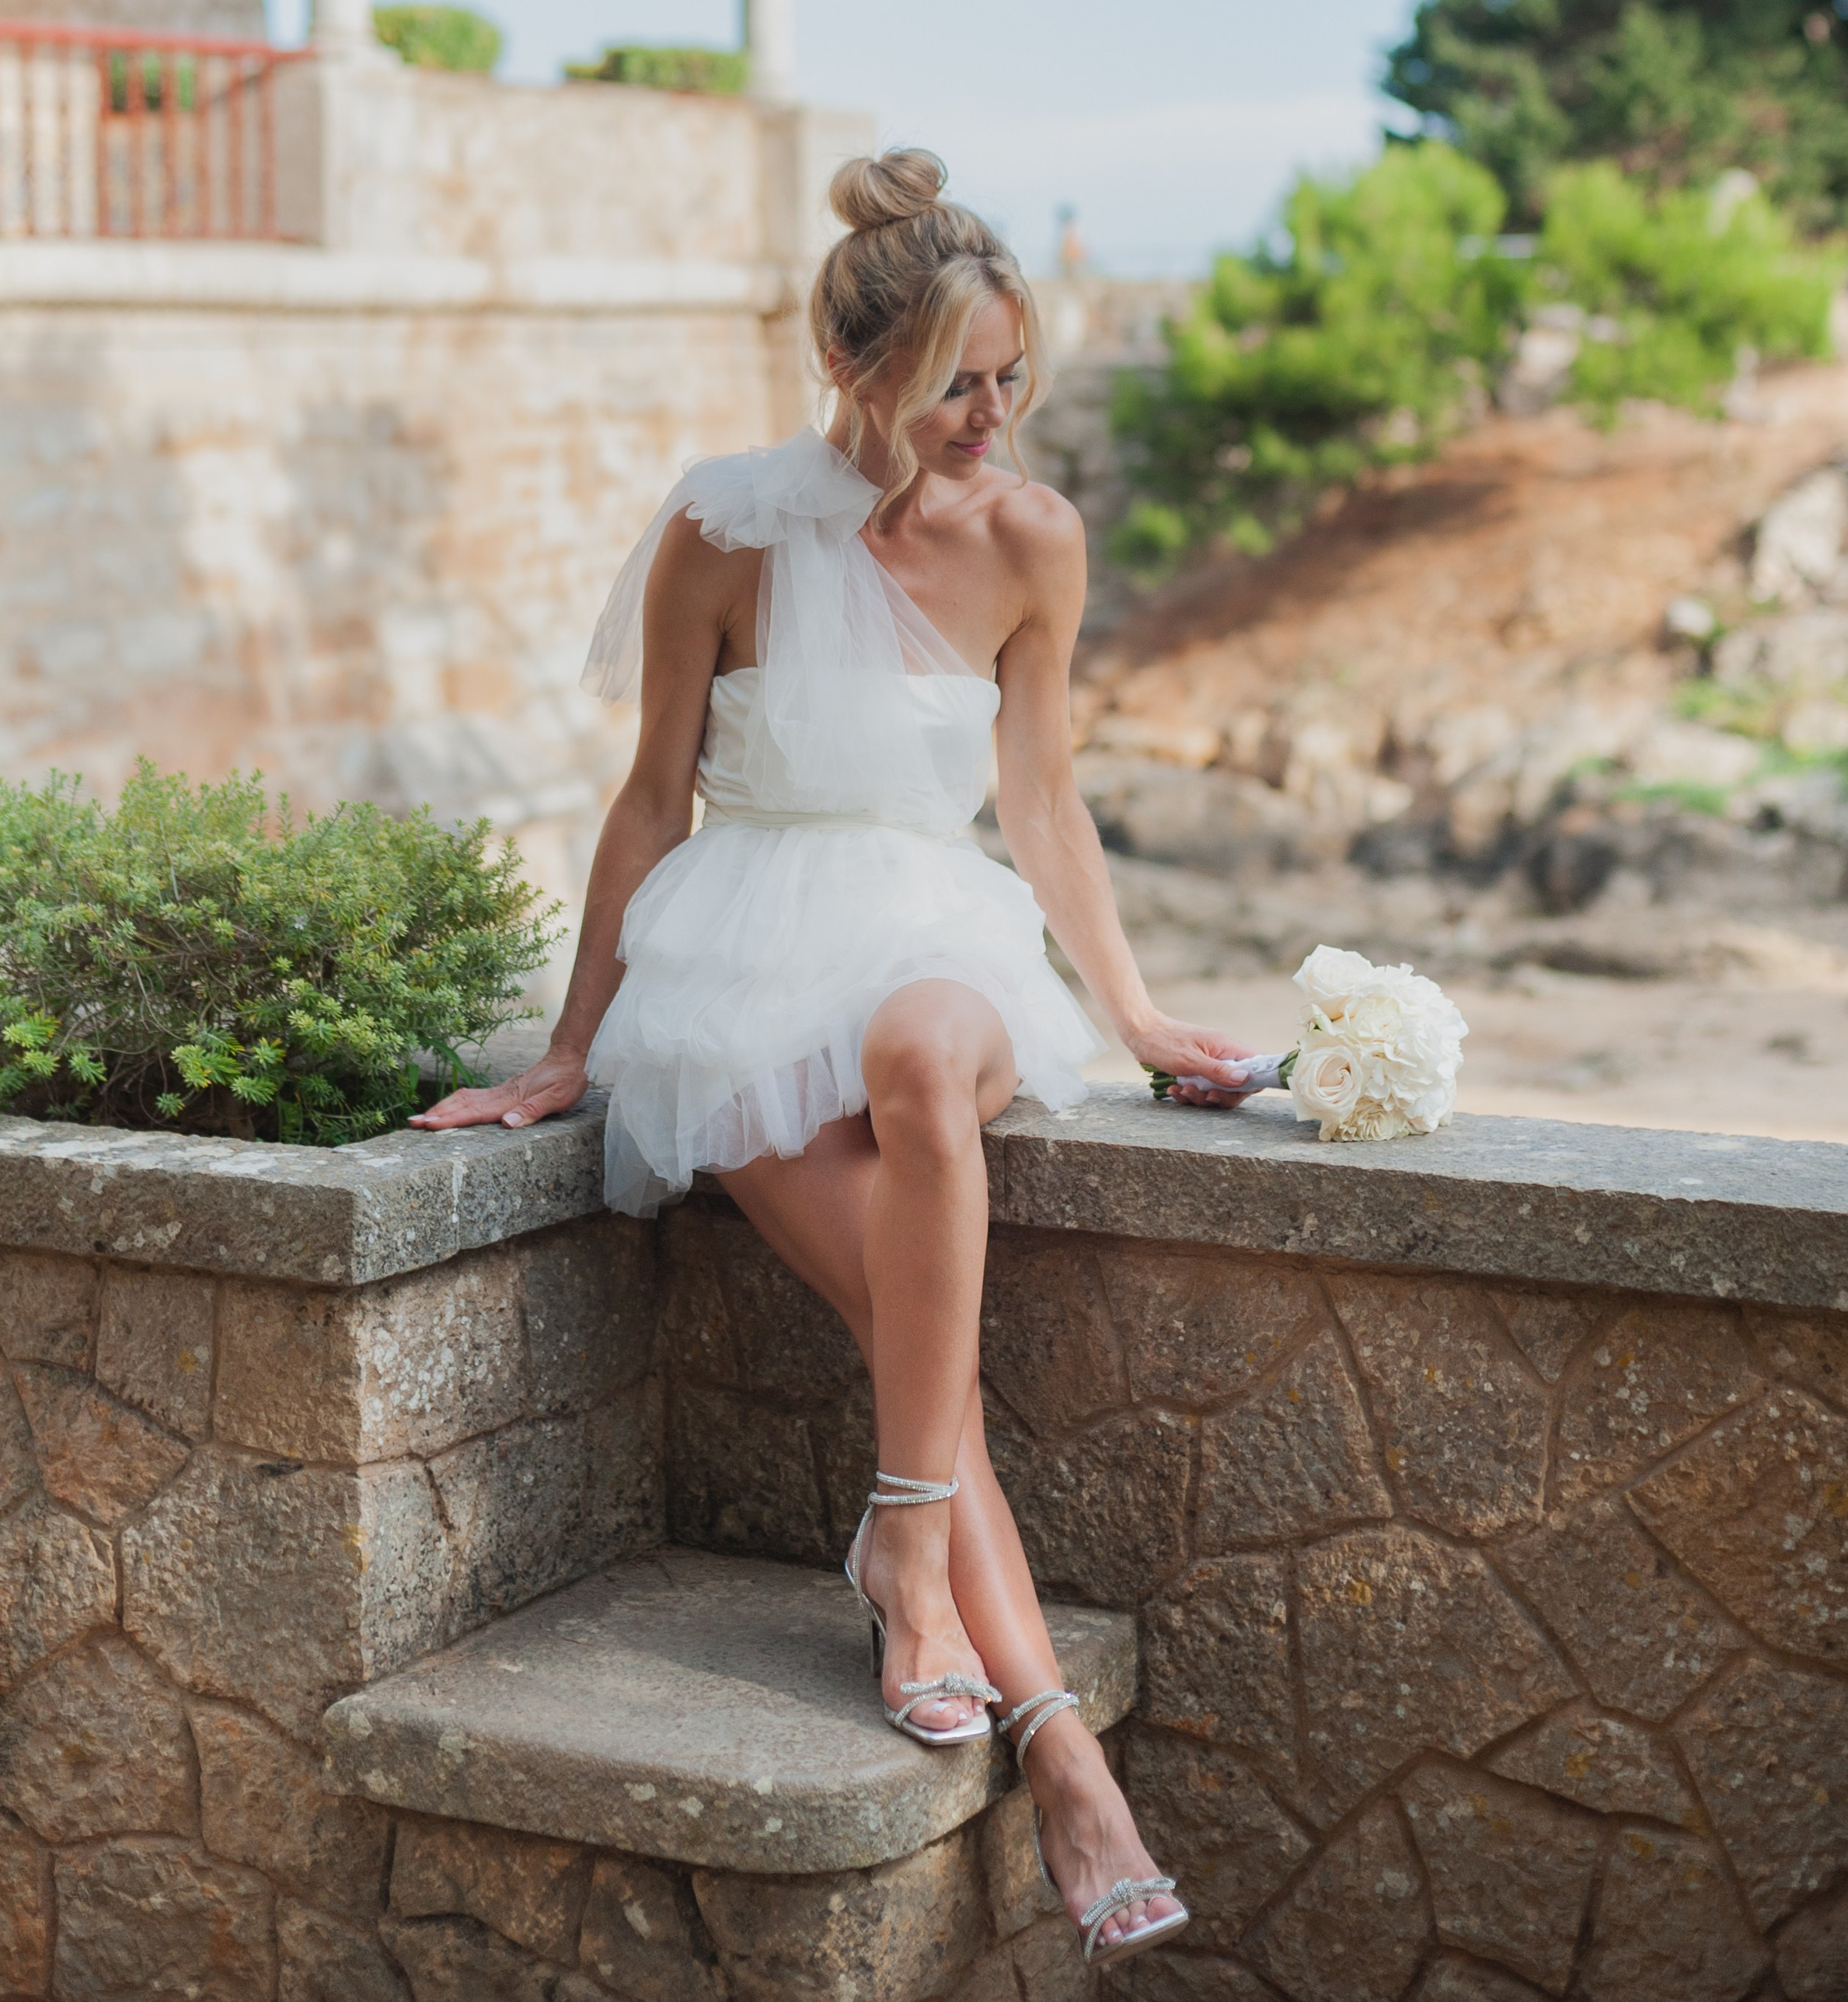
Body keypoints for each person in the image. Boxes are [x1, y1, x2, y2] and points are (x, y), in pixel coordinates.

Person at [413, 148, 1254, 1965]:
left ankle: (903, 1542)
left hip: (924, 931)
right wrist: (570, 1047)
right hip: (730, 957)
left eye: (1010, 376)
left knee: (935, 1053)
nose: (991, 416)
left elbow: (1038, 798)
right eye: (956, 378)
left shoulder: (1032, 537)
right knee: (908, 1338)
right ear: (854, 367)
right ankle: (1052, 1741)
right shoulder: (723, 533)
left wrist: (1134, 1014)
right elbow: (648, 795)